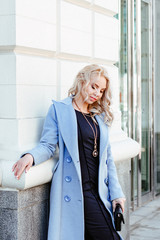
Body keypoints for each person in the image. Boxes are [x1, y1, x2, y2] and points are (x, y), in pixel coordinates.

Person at [12, 64, 126, 240]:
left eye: (102, 90)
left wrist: (116, 193)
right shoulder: (60, 110)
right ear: (82, 81)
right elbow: (48, 145)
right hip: (77, 190)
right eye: (94, 86)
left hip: (99, 191)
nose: (97, 93)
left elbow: (107, 159)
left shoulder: (98, 116)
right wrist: (30, 156)